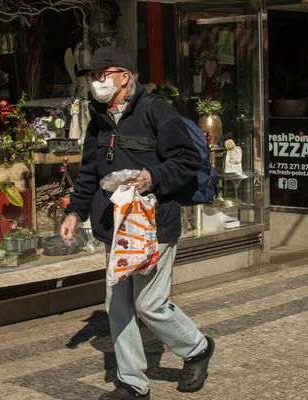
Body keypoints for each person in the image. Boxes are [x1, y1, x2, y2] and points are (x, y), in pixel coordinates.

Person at [60, 46, 215, 400]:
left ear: (124, 76)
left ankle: (197, 348)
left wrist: (151, 177)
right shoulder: (98, 118)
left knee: (150, 305)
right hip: (115, 228)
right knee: (118, 306)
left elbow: (187, 159)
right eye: (92, 77)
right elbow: (87, 173)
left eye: (102, 75)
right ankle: (132, 382)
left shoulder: (156, 110)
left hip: (153, 225)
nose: (95, 83)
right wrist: (75, 213)